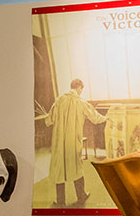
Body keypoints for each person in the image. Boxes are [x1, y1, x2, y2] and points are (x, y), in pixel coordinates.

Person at [44, 79, 107, 207]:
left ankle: (60, 201)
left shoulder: (59, 100)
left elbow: (49, 120)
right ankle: (81, 196)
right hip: (73, 141)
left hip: (59, 141)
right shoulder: (81, 102)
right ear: (79, 87)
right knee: (76, 166)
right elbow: (95, 118)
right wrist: (106, 118)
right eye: (81, 89)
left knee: (59, 168)